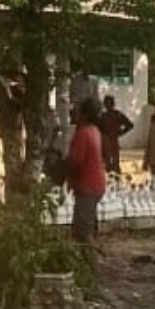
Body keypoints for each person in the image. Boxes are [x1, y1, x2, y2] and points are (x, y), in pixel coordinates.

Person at [65, 98, 108, 248]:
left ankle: (91, 264)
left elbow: (75, 162)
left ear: (84, 114)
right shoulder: (94, 131)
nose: (72, 113)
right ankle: (92, 257)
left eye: (75, 110)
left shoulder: (83, 133)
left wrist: (60, 173)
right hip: (96, 185)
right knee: (87, 226)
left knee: (82, 233)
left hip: (87, 186)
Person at [98, 95, 134, 175]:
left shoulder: (115, 115)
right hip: (107, 141)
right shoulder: (103, 116)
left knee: (113, 162)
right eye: (107, 103)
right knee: (110, 162)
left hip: (111, 141)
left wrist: (120, 133)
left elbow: (130, 125)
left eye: (109, 103)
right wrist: (120, 133)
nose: (108, 105)